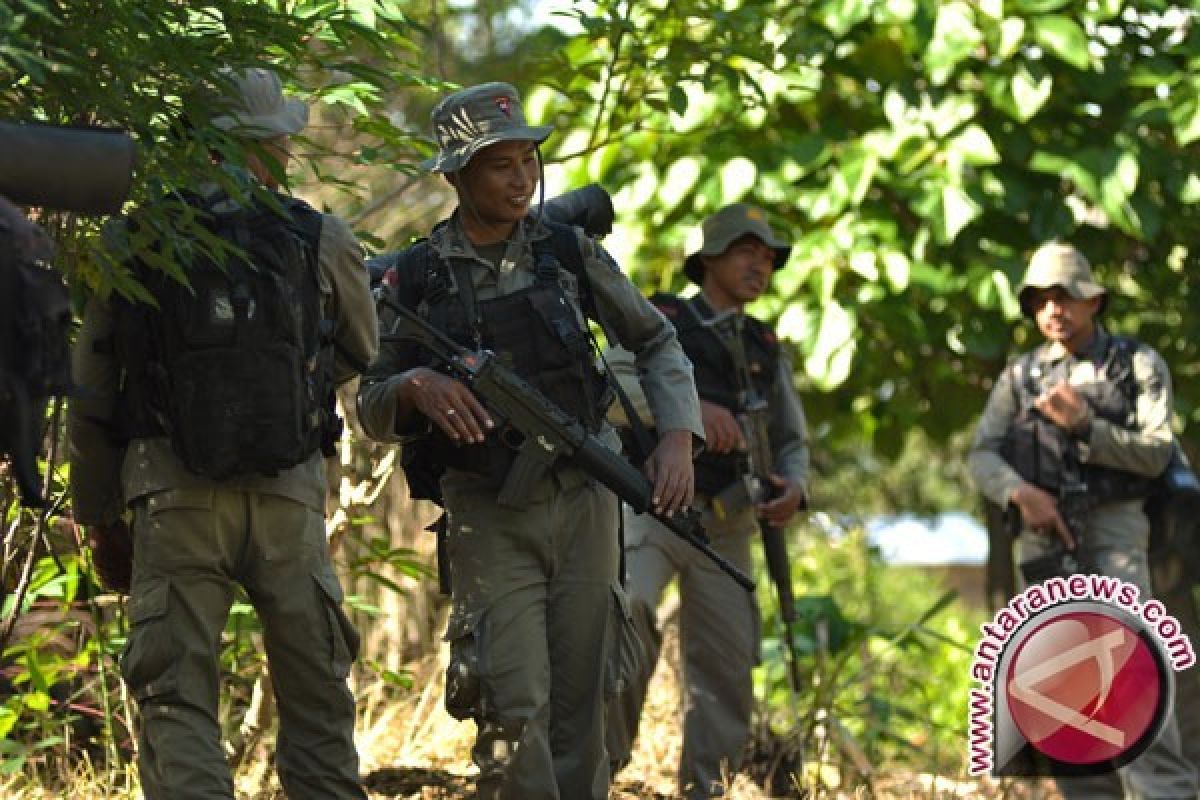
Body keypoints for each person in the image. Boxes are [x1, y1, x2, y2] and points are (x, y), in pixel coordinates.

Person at [356, 81, 702, 800]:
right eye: (500, 165)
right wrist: (418, 387)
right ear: (456, 175)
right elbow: (372, 403)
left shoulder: (569, 255)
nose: (522, 180)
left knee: (585, 706)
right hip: (488, 513)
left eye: (528, 161)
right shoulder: (415, 278)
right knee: (513, 711)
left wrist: (677, 438)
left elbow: (658, 340)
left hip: (585, 502)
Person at [68, 67, 376, 799]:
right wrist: (283, 391)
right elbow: (363, 351)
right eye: (280, 141)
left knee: (175, 699)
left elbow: (91, 386)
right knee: (316, 699)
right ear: (257, 147)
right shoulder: (318, 235)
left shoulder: (132, 238)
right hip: (288, 492)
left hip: (171, 493)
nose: (287, 153)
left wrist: (96, 510)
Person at [967, 241, 1198, 799]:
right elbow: (982, 454)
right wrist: (1022, 493)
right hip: (1043, 536)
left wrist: (1086, 427)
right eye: (1040, 299)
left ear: (1094, 300)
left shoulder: (1135, 364)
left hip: (1118, 528)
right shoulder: (1019, 378)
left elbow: (1157, 449)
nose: (1053, 309)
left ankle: (1167, 791)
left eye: (1066, 296)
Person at [605, 203, 811, 799]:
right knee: (627, 619)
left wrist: (794, 487)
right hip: (655, 508)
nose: (760, 265)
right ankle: (596, 772)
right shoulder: (661, 319)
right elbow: (608, 385)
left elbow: (792, 440)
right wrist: (689, 414)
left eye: (769, 258)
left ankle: (707, 791)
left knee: (727, 669)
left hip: (730, 524)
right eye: (748, 252)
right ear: (710, 258)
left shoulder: (763, 345)